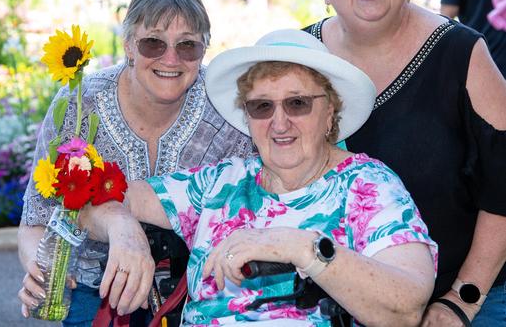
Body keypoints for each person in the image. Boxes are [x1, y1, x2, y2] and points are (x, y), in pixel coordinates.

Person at [72, 29, 437, 326]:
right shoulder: (223, 182)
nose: (279, 122)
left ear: (330, 113)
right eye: (262, 106)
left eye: (297, 103)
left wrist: (299, 247)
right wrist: (124, 230)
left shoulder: (367, 186)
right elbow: (96, 195)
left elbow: (405, 308)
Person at [307, 0, 506, 326]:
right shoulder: (301, 57)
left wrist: (460, 300)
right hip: (329, 302)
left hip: (462, 297)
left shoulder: (462, 53)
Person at [18, 0, 252, 326]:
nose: (170, 59)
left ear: (205, 51)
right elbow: (36, 220)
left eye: (187, 46)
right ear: (129, 45)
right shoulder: (80, 105)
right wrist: (44, 274)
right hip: (93, 291)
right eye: (153, 43)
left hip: (198, 293)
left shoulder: (226, 109)